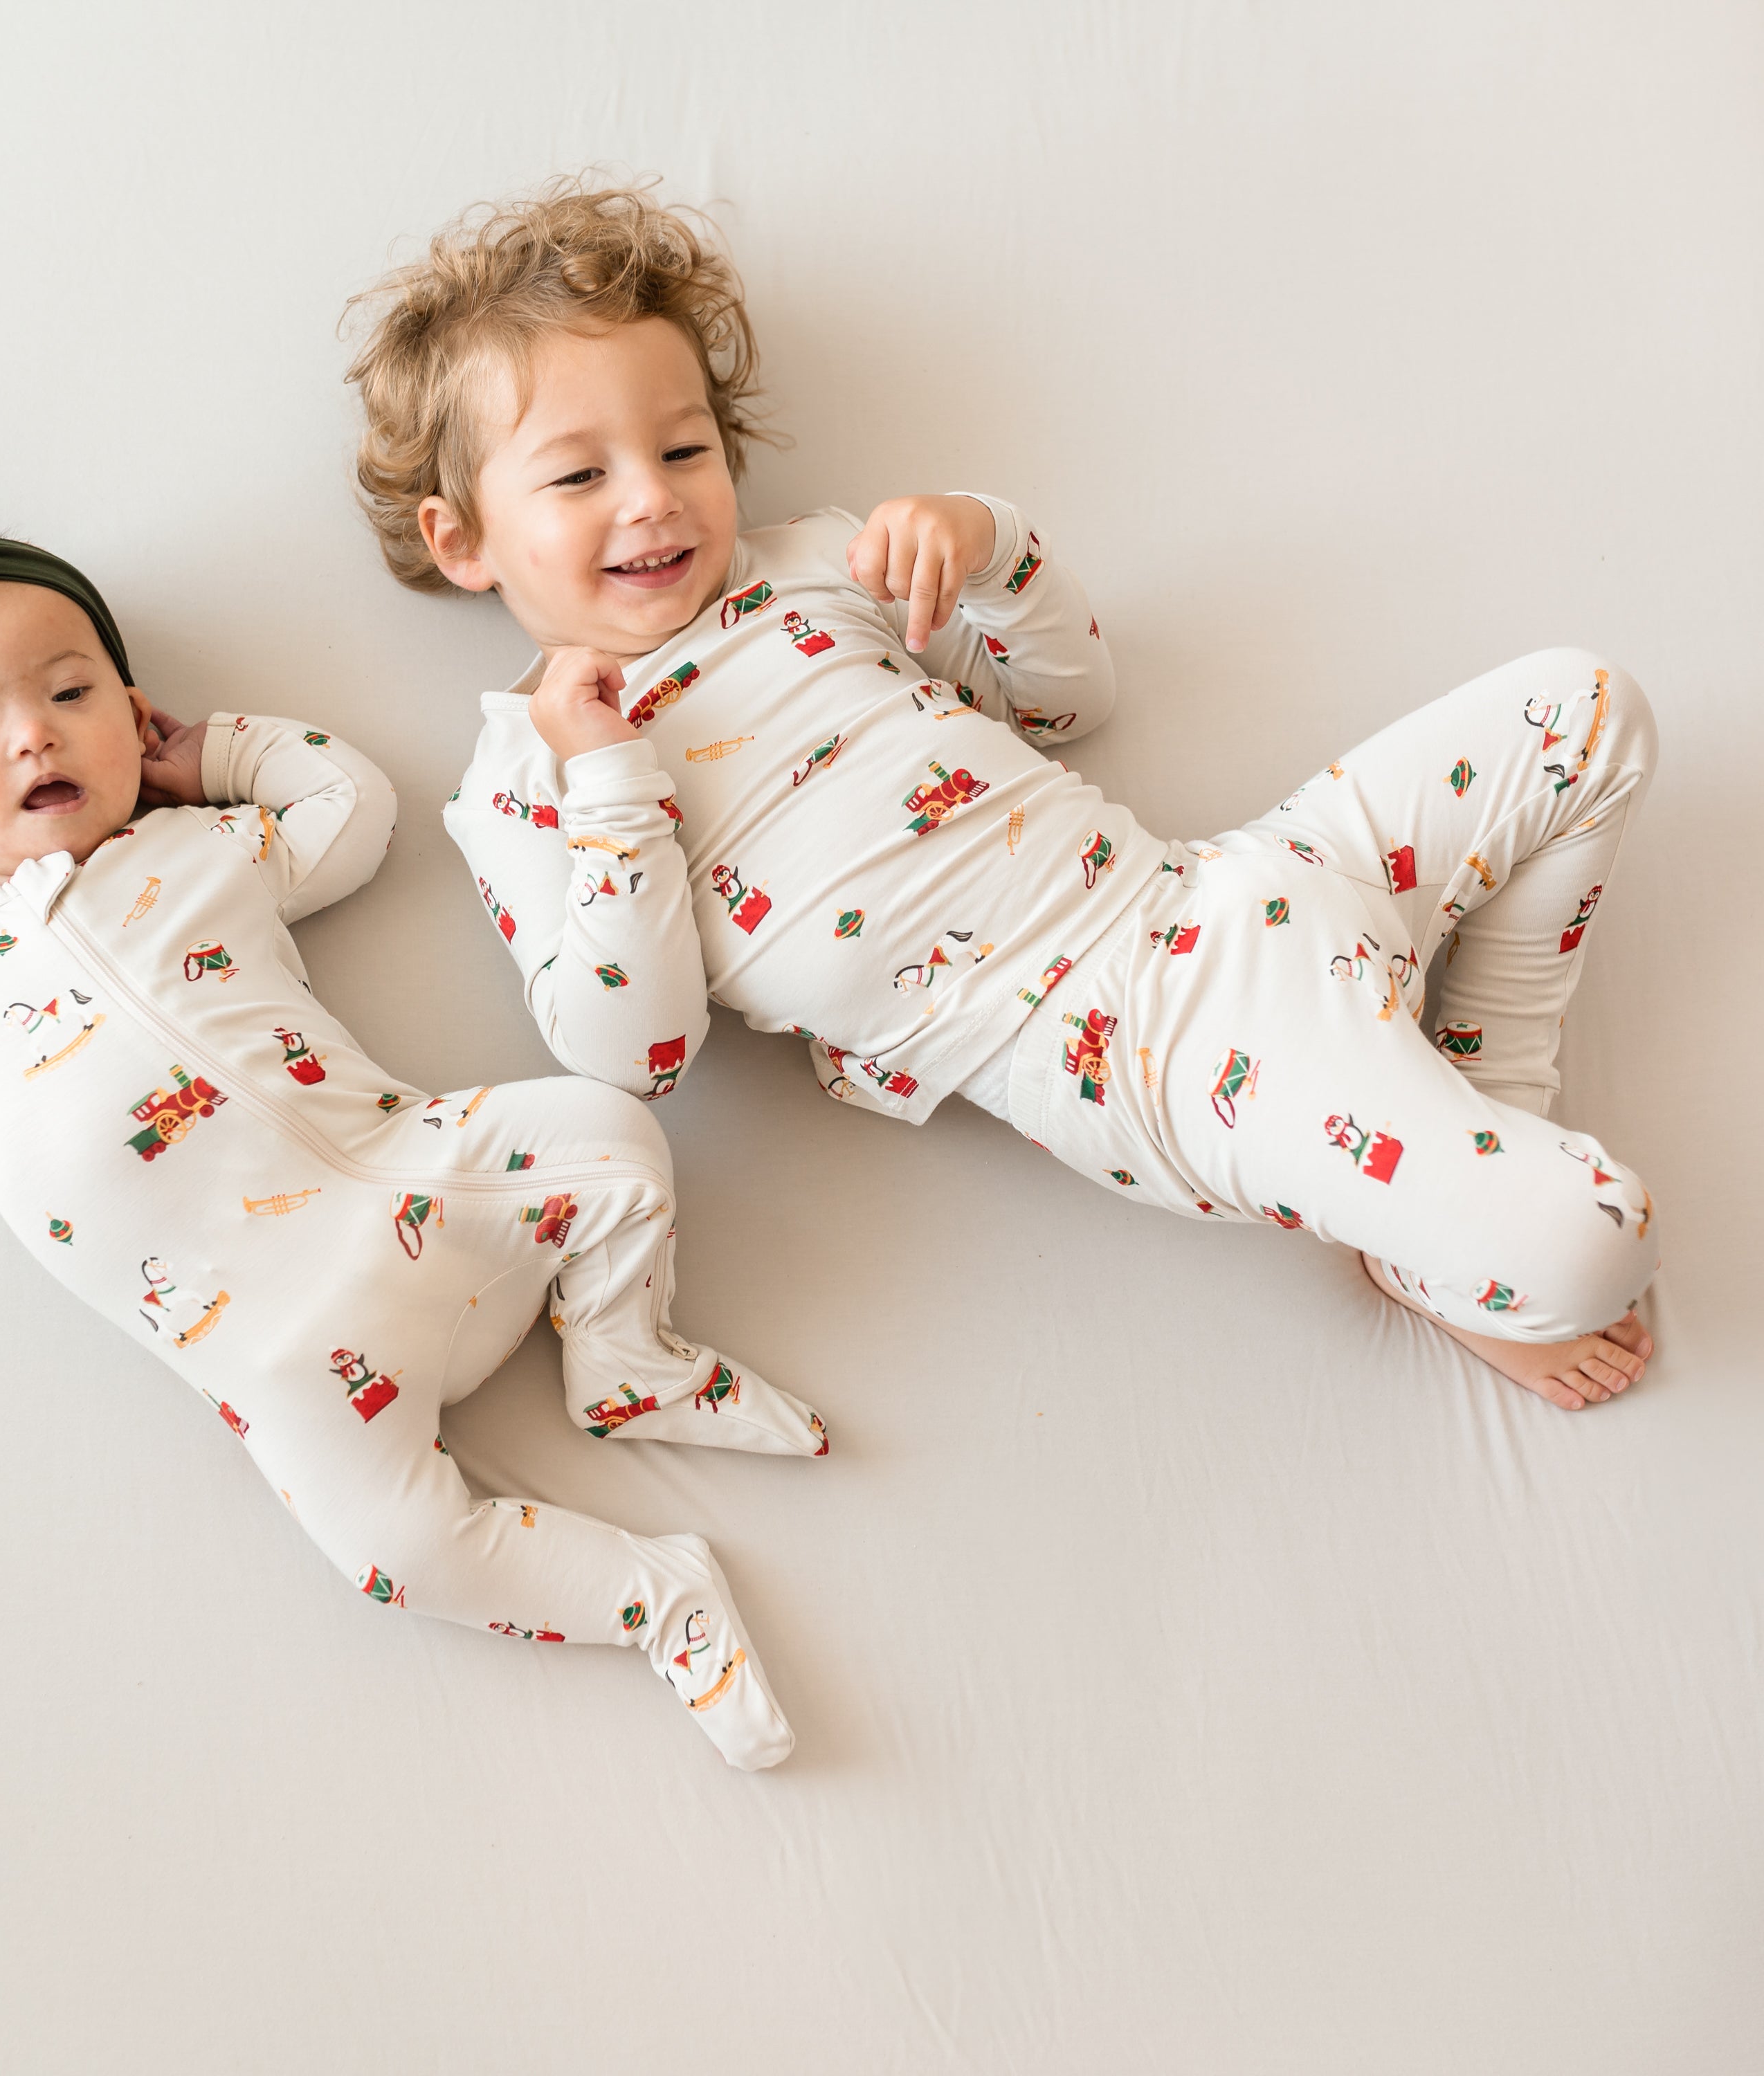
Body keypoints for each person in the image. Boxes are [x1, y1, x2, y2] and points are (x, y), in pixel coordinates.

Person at [345, 179, 1658, 1414]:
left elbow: (1068, 707)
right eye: (580, 476)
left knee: (1589, 706)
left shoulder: (808, 567)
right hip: (1147, 1056)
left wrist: (991, 548)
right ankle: (1441, 1224)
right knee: (1596, 1246)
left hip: (1235, 884)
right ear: (460, 538)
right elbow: (638, 1053)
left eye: (684, 446)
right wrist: (611, 777)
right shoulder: (528, 780)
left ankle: (1488, 1093)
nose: (651, 497)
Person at [0, 455, 828, 1771]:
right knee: (396, 1553)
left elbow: (350, 808)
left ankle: (624, 1359)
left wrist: (203, 760)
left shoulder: (198, 852)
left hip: (415, 1179)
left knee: (616, 1133)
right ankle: (655, 1597)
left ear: (133, 715)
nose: (35, 735)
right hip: (272, 1356)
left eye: (74, 695)